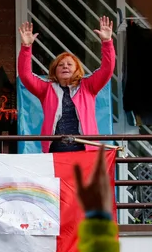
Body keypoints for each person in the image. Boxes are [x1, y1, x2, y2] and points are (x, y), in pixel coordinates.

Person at [18, 16, 116, 153]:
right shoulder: (46, 89)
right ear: (54, 70)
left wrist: (107, 42)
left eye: (70, 64)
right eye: (60, 65)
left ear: (77, 69)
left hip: (85, 149)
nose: (65, 67)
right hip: (55, 149)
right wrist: (26, 47)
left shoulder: (88, 86)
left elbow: (107, 69)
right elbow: (25, 75)